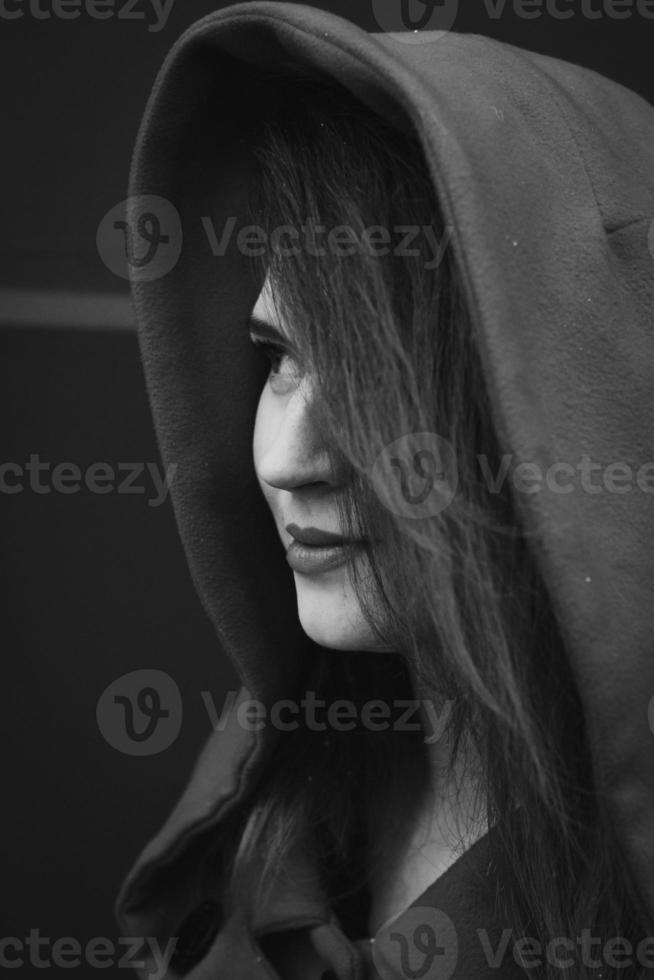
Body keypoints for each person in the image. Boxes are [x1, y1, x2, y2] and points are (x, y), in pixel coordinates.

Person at [115, 3, 654, 979]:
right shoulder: (265, 769)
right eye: (277, 356)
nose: (285, 457)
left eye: (380, 380)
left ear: (582, 414)